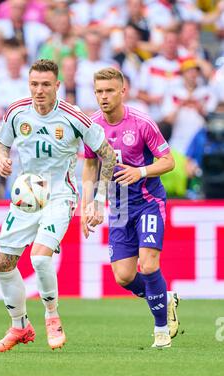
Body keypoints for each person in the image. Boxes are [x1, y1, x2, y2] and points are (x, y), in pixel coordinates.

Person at [0, 59, 116, 353]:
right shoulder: (16, 111)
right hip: (27, 195)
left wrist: (98, 200)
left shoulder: (74, 117)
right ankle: (19, 326)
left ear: (57, 86)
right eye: (34, 84)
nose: (39, 90)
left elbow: (108, 156)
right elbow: (1, 143)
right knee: (2, 264)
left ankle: (52, 317)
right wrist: (1, 159)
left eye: (46, 84)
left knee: (40, 258)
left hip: (60, 194)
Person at [82, 67, 178, 349]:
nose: (104, 97)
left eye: (109, 90)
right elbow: (90, 165)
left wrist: (141, 171)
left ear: (123, 91)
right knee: (123, 276)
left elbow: (168, 161)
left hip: (148, 202)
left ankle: (161, 329)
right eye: (99, 91)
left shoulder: (142, 123)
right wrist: (88, 204)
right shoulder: (92, 126)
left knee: (148, 265)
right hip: (119, 208)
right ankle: (165, 298)